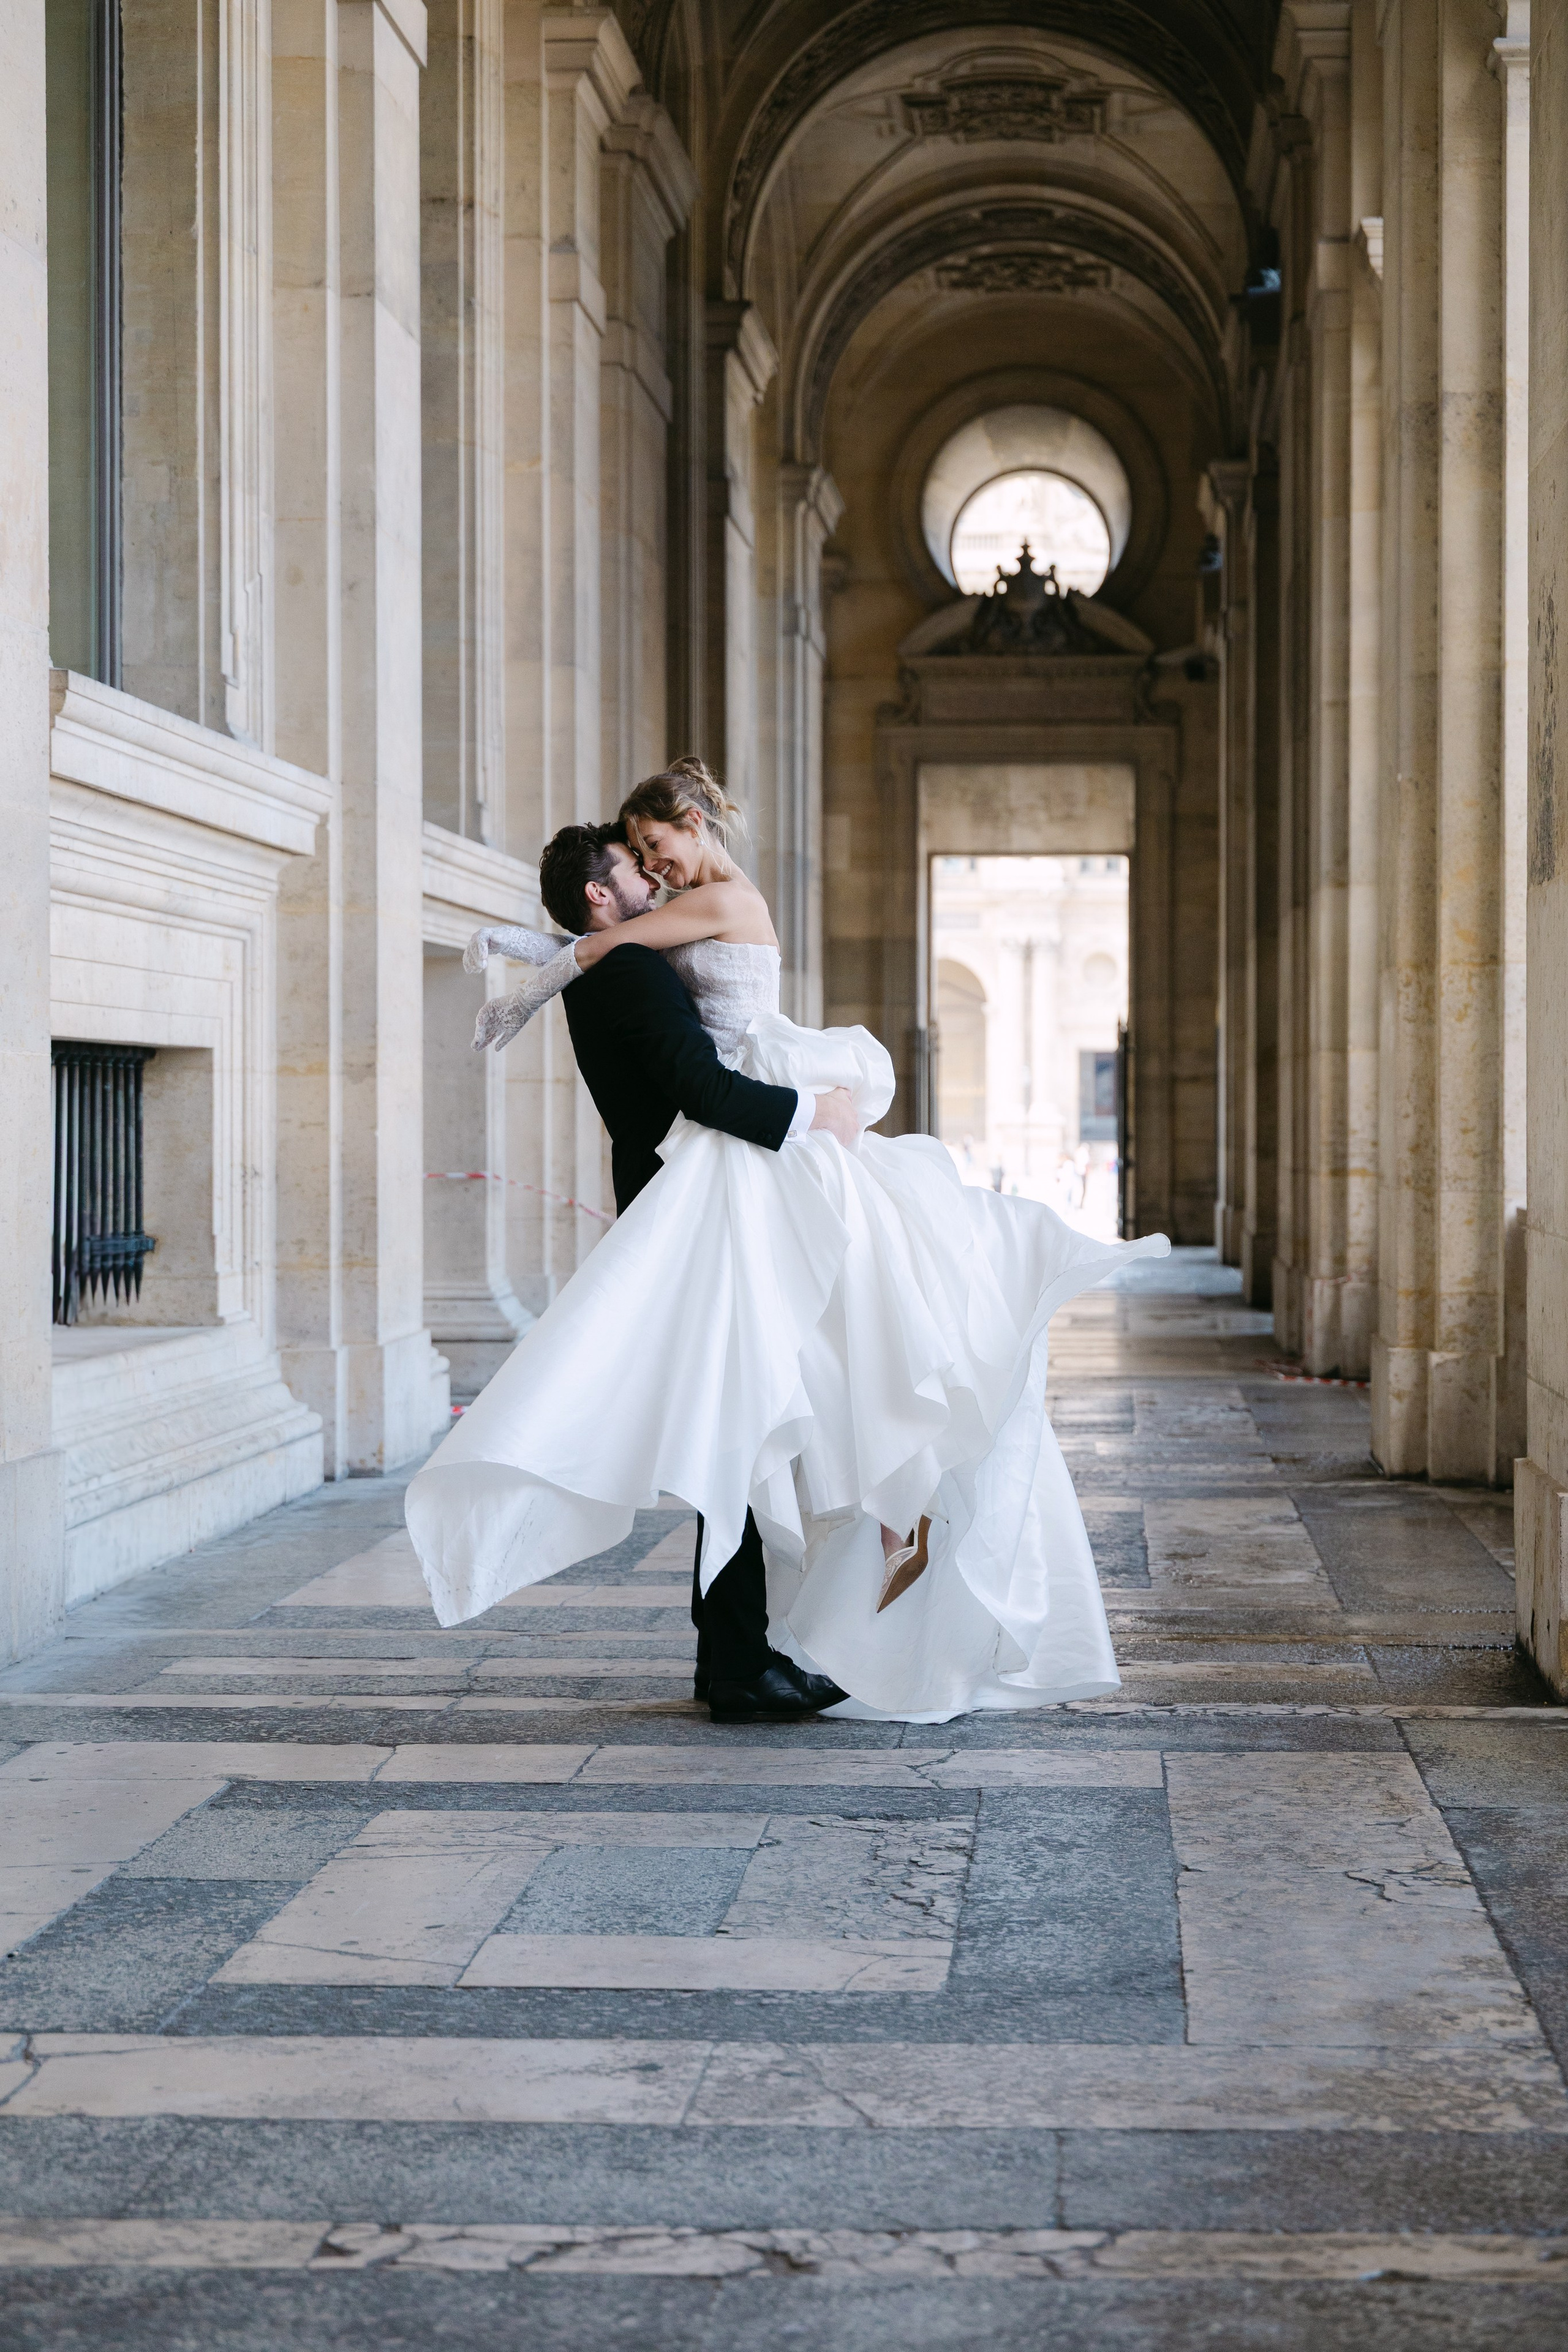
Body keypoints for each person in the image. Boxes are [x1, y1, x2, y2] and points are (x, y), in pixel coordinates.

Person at [405, 756, 1170, 1724]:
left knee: (756, 1417)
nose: (654, 879)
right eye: (638, 867)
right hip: (710, 1198)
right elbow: (705, 1089)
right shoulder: (632, 965)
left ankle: (762, 1632)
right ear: (608, 892)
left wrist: (527, 974)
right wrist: (817, 1116)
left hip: (712, 1194)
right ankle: (770, 1631)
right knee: (751, 1421)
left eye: (656, 853)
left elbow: (617, 986)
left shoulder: (644, 947)